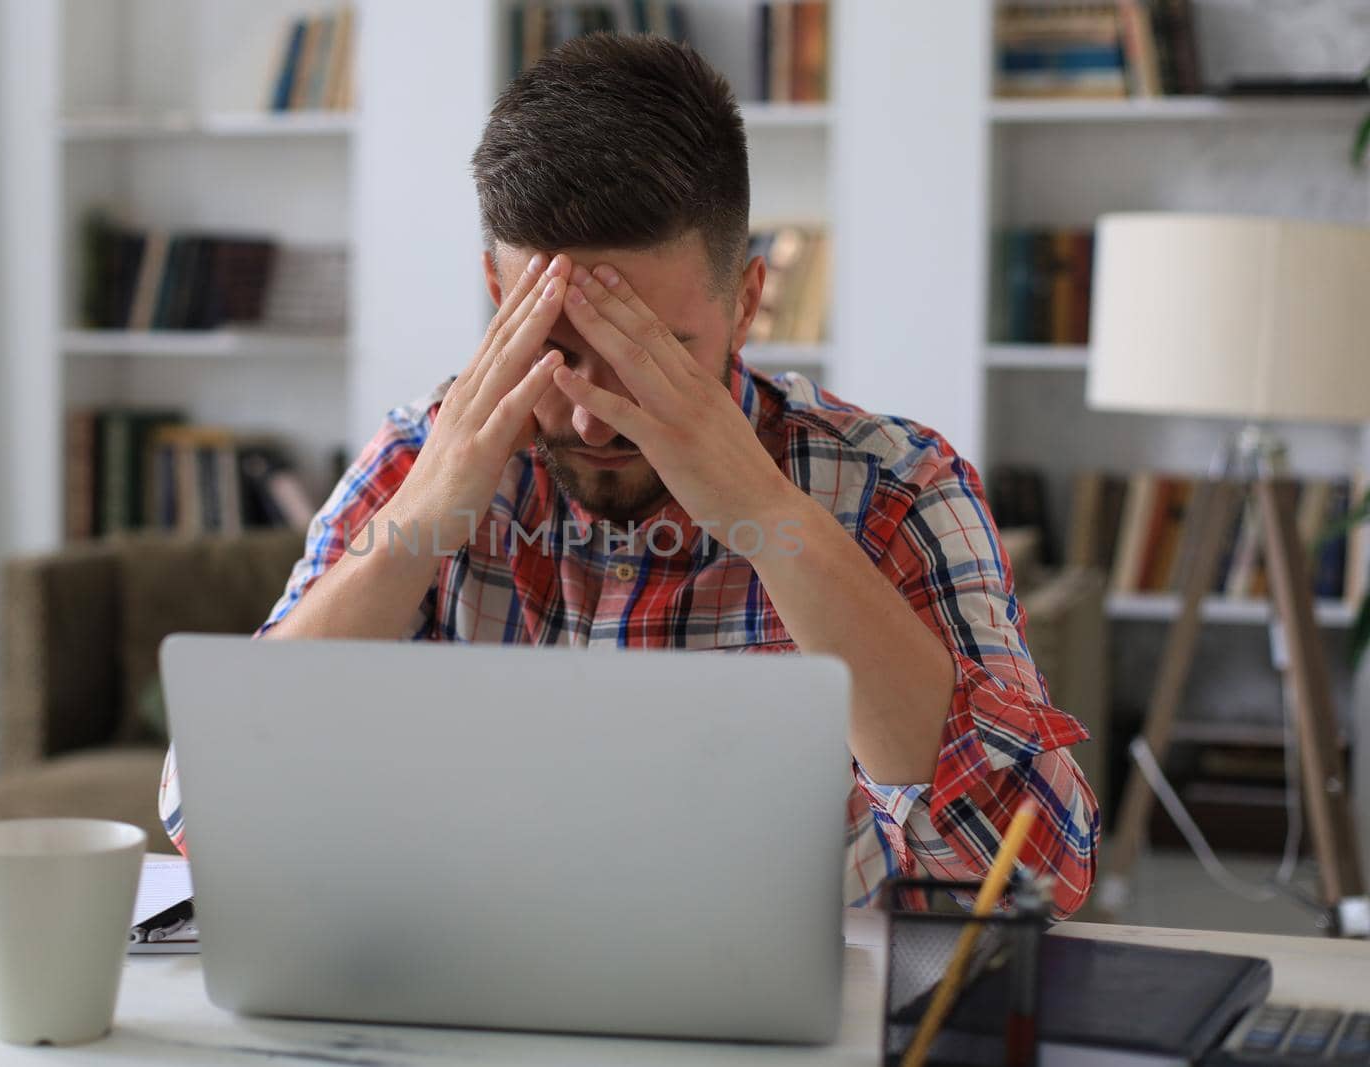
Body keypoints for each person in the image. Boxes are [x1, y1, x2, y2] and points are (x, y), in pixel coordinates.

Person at [159, 33, 1097, 916]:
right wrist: (420, 528)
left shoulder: (898, 487)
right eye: (561, 347)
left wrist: (773, 518)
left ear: (748, 302)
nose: (589, 412)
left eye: (657, 350)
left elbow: (1038, 874)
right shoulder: (419, 457)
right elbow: (209, 812)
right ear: (499, 296)